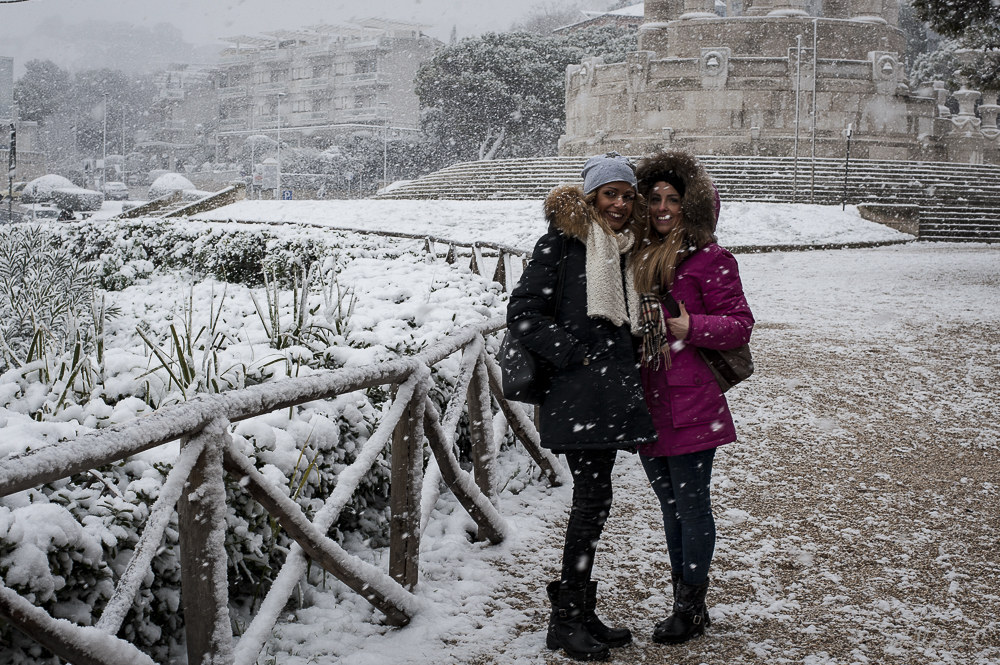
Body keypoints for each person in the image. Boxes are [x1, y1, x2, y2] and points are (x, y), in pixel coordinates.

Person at [506, 153, 657, 661]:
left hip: (608, 394)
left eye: (627, 194)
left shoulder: (623, 248)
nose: (620, 203)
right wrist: (576, 354)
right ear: (591, 196)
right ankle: (565, 618)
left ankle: (578, 608)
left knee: (596, 502)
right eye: (610, 193)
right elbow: (523, 313)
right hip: (578, 393)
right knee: (591, 502)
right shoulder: (563, 244)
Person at [629, 150, 754, 644]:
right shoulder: (637, 256)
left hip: (692, 401)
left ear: (692, 205)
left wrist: (690, 325)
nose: (662, 207)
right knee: (669, 506)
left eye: (673, 199)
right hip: (647, 400)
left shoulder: (712, 259)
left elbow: (740, 324)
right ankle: (684, 597)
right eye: (655, 198)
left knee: (692, 505)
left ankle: (691, 606)